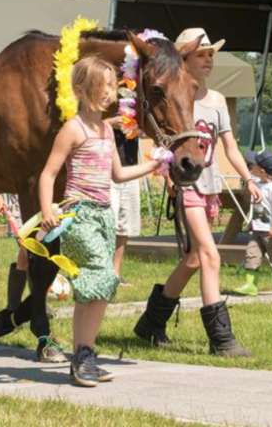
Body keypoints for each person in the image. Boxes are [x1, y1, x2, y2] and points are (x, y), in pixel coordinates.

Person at [133, 27, 262, 358]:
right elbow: (161, 138)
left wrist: (248, 179)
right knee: (210, 256)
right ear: (183, 60)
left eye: (210, 55)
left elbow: (231, 148)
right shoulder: (180, 96)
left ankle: (150, 322)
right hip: (185, 187)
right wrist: (168, 173)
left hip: (210, 188)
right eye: (200, 54)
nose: (207, 60)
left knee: (192, 259)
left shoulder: (217, 100)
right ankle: (222, 339)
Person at [38, 56, 166, 387]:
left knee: (94, 287)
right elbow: (48, 173)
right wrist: (47, 210)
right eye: (104, 85)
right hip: (79, 214)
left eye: (113, 84)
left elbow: (119, 174)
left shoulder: (107, 131)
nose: (111, 91)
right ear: (81, 89)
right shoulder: (73, 129)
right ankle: (84, 355)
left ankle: (84, 354)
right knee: (102, 276)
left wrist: (152, 166)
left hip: (104, 216)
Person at [233, 150, 272, 297]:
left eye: (252, 165)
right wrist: (251, 221)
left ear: (261, 171)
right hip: (257, 230)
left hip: (271, 232)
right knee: (252, 255)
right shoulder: (256, 185)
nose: (249, 166)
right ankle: (251, 285)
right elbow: (258, 207)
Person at [107, 116, 141, 286]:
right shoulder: (102, 100)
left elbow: (146, 130)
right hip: (106, 169)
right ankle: (102, 271)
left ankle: (115, 273)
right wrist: (110, 122)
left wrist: (139, 128)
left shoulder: (136, 100)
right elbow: (85, 125)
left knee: (124, 225)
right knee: (107, 223)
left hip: (131, 168)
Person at [0, 194, 30, 317]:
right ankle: (14, 305)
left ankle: (36, 303)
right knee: (27, 248)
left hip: (34, 206)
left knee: (31, 254)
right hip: (17, 206)